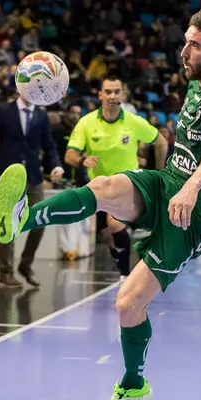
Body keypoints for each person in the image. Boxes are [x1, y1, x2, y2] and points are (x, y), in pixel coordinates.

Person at [0, 9, 201, 400]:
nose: (183, 51)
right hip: (168, 182)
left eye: (194, 45)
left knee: (128, 304)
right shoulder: (199, 84)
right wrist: (175, 181)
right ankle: (20, 220)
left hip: (195, 214)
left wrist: (190, 187)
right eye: (185, 40)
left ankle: (132, 386)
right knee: (104, 187)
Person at [64, 76, 167, 279]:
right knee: (107, 233)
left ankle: (126, 276)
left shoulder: (134, 122)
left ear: (123, 94)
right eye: (108, 91)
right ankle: (124, 271)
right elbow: (70, 155)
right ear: (100, 94)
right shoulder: (86, 122)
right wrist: (82, 159)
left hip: (128, 184)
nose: (112, 96)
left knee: (115, 224)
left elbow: (161, 142)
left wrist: (160, 174)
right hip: (98, 188)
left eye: (116, 91)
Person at [0, 91, 64, 289]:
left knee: (40, 219)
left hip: (33, 175)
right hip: (7, 176)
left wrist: (56, 165)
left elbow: (49, 145)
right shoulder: (4, 110)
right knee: (7, 222)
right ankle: (5, 272)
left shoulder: (41, 115)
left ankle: (26, 264)